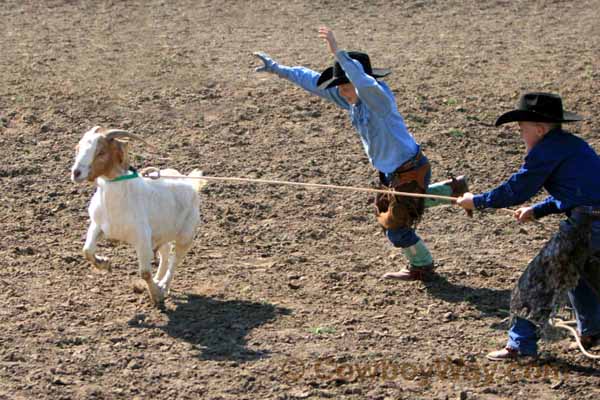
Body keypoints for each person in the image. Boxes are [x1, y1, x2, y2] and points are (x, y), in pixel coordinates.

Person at [254, 27, 467, 281]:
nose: (343, 92)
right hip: (397, 172)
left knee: (396, 229)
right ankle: (451, 190)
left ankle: (422, 266)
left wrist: (338, 53)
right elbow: (311, 81)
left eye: (347, 86)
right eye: (341, 87)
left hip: (409, 170)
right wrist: (277, 68)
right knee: (400, 208)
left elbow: (365, 84)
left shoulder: (379, 99)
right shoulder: (350, 99)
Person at [457, 92, 600, 360]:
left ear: (540, 129)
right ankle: (592, 331)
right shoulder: (573, 146)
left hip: (587, 225)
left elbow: (516, 189)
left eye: (522, 129)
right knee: (581, 275)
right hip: (592, 221)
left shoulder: (546, 150)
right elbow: (580, 191)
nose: (521, 135)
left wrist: (477, 201)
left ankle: (520, 344)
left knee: (535, 282)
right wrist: (537, 210)